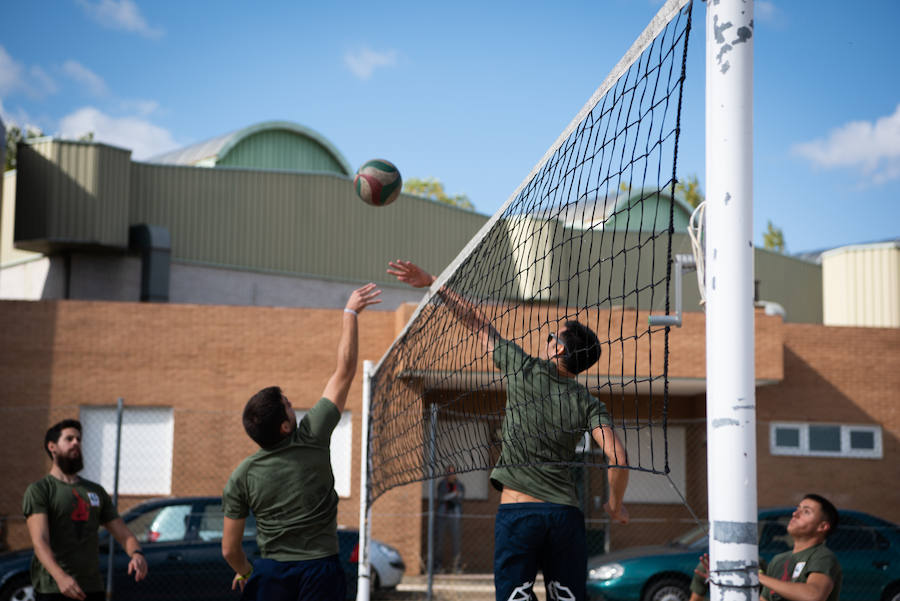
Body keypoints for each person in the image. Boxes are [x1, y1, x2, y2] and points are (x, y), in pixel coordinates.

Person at [388, 260, 630, 601]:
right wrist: (614, 505)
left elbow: (477, 322)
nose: (547, 339)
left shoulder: (524, 369)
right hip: (565, 517)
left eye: (552, 336)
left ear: (558, 349)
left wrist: (432, 281)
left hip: (519, 515)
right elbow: (618, 457)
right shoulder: (589, 404)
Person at [221, 283, 382, 601]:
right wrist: (350, 312)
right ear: (284, 426)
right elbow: (345, 371)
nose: (294, 403)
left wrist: (246, 571)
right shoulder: (312, 436)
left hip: (269, 574)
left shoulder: (241, 476)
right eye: (289, 404)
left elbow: (229, 549)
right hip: (320, 571)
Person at [23, 419, 148, 601]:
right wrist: (60, 577)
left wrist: (137, 554)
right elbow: (40, 541)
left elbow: (124, 534)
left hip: (92, 587)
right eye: (69, 439)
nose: (76, 443)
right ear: (52, 447)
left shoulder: (95, 491)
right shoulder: (40, 490)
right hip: (55, 588)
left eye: (79, 439)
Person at [759, 494, 842, 601]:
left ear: (822, 526)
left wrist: (759, 577)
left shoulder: (822, 556)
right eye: (797, 509)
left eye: (806, 512)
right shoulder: (778, 560)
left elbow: (813, 595)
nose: (795, 514)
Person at [435, 465, 466, 573]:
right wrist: (453, 494)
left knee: (456, 542)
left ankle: (457, 567)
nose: (450, 475)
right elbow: (441, 498)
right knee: (439, 542)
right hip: (442, 514)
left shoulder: (460, 485)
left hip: (455, 515)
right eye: (448, 472)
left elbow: (460, 498)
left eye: (452, 472)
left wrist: (451, 496)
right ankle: (437, 566)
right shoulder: (442, 484)